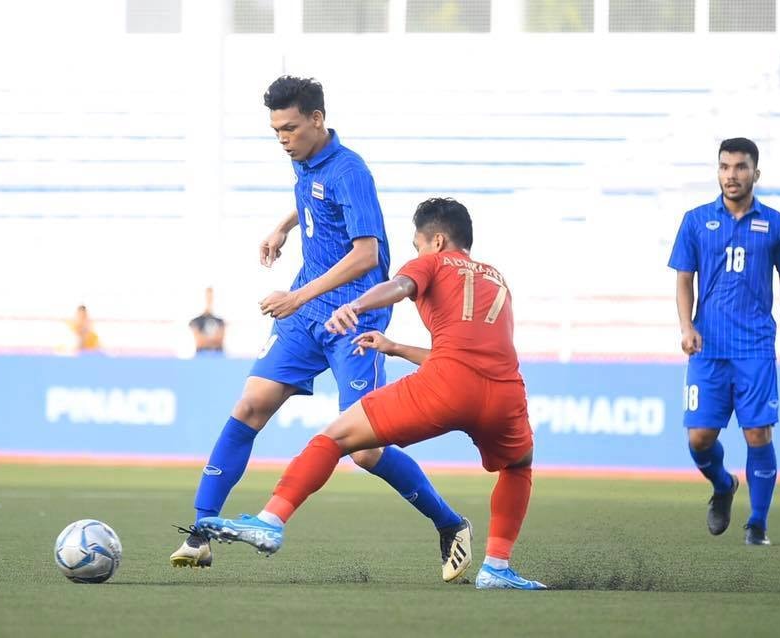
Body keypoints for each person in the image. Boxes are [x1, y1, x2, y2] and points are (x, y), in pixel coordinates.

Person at [170, 77, 471, 582]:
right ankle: (200, 534)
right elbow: (310, 191)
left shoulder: (352, 171)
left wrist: (297, 296)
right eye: (275, 130)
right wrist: (285, 227)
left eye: (290, 128)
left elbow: (367, 255)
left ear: (317, 119)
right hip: (306, 317)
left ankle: (450, 523)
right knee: (249, 406)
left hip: (353, 317)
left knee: (368, 449)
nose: (282, 138)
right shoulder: (304, 155)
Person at [197, 198, 546, 590]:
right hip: (504, 393)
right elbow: (471, 355)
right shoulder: (496, 279)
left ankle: (271, 521)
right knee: (517, 466)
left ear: (437, 240)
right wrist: (395, 348)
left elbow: (399, 286)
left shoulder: (432, 262)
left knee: (335, 437)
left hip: (446, 386)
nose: (416, 252)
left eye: (416, 245)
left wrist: (356, 304)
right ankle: (497, 567)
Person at [668, 137, 780, 546]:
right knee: (699, 439)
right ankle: (724, 484)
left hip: (756, 350)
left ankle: (757, 525)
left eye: (740, 167)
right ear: (718, 172)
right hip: (708, 350)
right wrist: (686, 326)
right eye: (725, 167)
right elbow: (683, 279)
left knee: (758, 434)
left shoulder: (778, 225)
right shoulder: (695, 221)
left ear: (755, 173)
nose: (732, 175)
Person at [189, 287, 226, 355]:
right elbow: (199, 342)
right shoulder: (195, 321)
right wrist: (213, 341)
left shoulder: (220, 321)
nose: (209, 300)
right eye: (207, 297)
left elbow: (220, 341)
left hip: (218, 357)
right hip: (201, 358)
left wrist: (206, 340)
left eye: (211, 297)